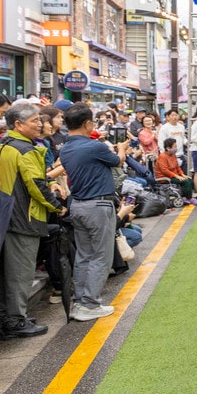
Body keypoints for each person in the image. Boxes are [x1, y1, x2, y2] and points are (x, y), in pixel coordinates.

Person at [0, 104, 64, 339]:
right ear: (18, 124)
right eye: (34, 120)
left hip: (8, 216)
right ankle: (15, 321)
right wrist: (57, 206)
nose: (40, 124)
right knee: (20, 273)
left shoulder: (7, 144)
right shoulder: (24, 149)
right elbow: (37, 185)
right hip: (23, 217)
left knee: (10, 273)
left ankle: (9, 319)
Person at [58, 103, 129, 322]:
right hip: (97, 206)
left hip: (78, 205)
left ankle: (81, 303)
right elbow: (118, 161)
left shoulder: (65, 148)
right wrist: (122, 148)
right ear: (88, 123)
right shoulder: (93, 147)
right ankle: (89, 304)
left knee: (84, 256)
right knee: (101, 257)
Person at [155, 138, 195, 202]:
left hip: (173, 175)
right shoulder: (162, 156)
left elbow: (177, 167)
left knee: (189, 179)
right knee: (185, 181)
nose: (176, 148)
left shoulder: (173, 155)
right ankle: (187, 198)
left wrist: (182, 174)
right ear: (168, 148)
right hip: (165, 177)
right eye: (174, 147)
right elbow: (164, 170)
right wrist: (177, 176)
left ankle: (187, 197)